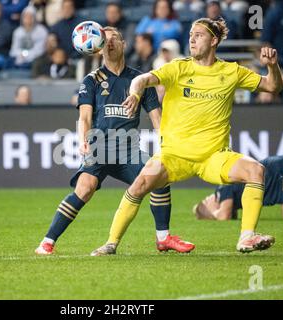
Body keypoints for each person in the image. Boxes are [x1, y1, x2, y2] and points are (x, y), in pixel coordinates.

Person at [91, 17, 283, 256]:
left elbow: (273, 87)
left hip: (213, 157)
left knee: (256, 170)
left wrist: (272, 66)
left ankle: (247, 237)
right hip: (173, 156)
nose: (191, 38)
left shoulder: (231, 72)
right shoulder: (178, 67)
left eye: (199, 35)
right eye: (191, 34)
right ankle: (110, 243)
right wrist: (134, 92)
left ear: (214, 40)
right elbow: (142, 79)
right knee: (139, 185)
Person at [35, 27, 195, 256]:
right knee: (85, 188)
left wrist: (166, 145)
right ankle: (47, 242)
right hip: (100, 146)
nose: (110, 43)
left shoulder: (139, 80)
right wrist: (83, 141)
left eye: (114, 39)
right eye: (105, 40)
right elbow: (84, 117)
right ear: (98, 48)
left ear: (123, 44)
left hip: (129, 148)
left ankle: (163, 239)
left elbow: (157, 119)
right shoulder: (91, 81)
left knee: (159, 176)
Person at [193, 155, 283, 221]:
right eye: (206, 202)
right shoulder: (229, 196)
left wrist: (214, 214)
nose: (208, 198)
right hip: (282, 173)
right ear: (210, 209)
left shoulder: (222, 187)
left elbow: (224, 215)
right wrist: (213, 214)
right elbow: (227, 215)